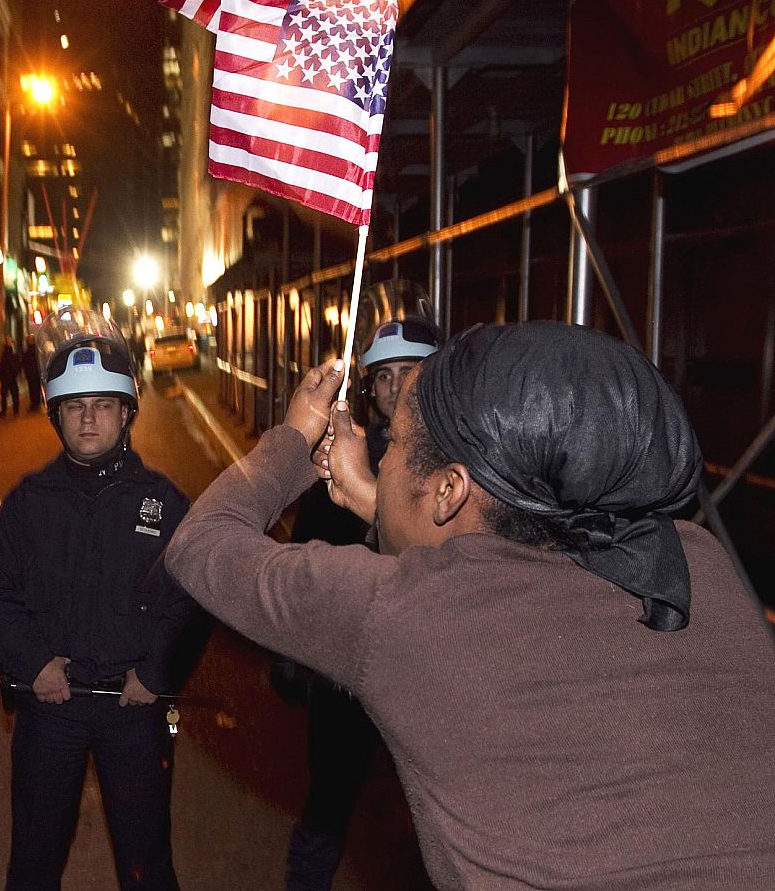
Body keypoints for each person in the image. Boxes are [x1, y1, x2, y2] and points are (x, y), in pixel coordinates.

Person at [165, 322, 775, 889]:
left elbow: (201, 545)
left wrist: (295, 440)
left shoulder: (406, 613)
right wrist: (383, 501)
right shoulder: (692, 561)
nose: (387, 454)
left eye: (397, 444)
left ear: (449, 488)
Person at [0, 308, 196, 891]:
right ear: (57, 415)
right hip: (54, 704)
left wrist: (156, 671)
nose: (88, 419)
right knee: (34, 861)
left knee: (147, 863)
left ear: (125, 413)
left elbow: (194, 597)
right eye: (74, 407)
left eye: (101, 405)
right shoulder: (28, 501)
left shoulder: (165, 503)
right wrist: (32, 663)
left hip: (136, 709)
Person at [279, 316, 440, 891]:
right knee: (330, 797)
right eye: (385, 376)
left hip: (431, 672)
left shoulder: (467, 469)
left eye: (410, 373)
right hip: (349, 666)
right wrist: (292, 652)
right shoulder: (339, 458)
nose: (396, 388)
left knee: (433, 818)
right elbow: (307, 556)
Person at [0, 339, 23, 417]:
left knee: (4, 395)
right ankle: (16, 411)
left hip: (5, 378)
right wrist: (16, 373)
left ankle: (3, 412)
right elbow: (18, 365)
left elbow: (1, 367)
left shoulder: (3, 356)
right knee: (14, 394)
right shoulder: (14, 354)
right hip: (12, 378)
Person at [22, 334, 44, 412]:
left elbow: (24, 364)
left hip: (31, 374)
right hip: (37, 373)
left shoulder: (27, 352)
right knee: (38, 388)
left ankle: (35, 404)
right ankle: (38, 402)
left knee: (32, 389)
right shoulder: (38, 351)